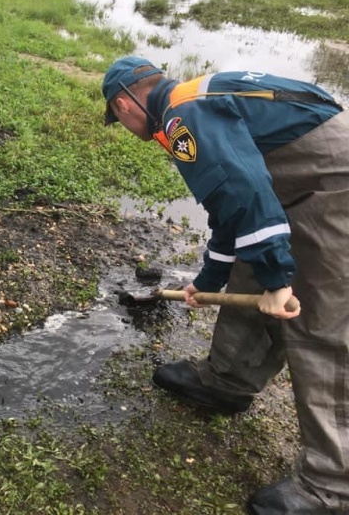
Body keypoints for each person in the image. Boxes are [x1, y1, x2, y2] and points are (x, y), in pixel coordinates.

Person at [101, 56, 348, 514]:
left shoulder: (181, 115)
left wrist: (279, 278)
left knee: (319, 324)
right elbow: (230, 208)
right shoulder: (191, 98)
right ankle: (228, 381)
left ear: (123, 104)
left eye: (116, 117)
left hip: (335, 186)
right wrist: (208, 279)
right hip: (297, 185)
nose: (122, 124)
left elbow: (247, 191)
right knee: (249, 272)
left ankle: (330, 487)